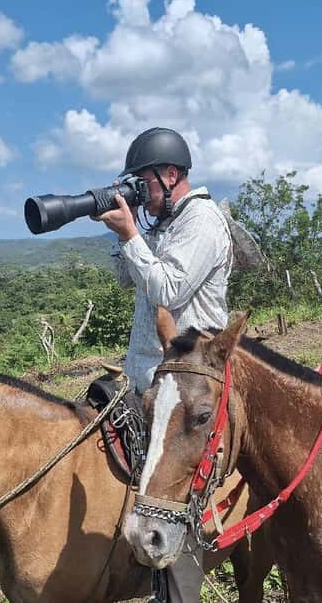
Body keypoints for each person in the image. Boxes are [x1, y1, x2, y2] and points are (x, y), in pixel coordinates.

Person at [98, 126, 233, 603]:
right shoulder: (164, 224)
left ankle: (177, 594)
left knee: (175, 494)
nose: (141, 192)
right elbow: (125, 277)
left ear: (171, 175)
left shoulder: (202, 221)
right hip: (147, 378)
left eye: (144, 183)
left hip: (187, 383)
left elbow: (169, 290)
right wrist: (126, 233)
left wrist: (133, 232)